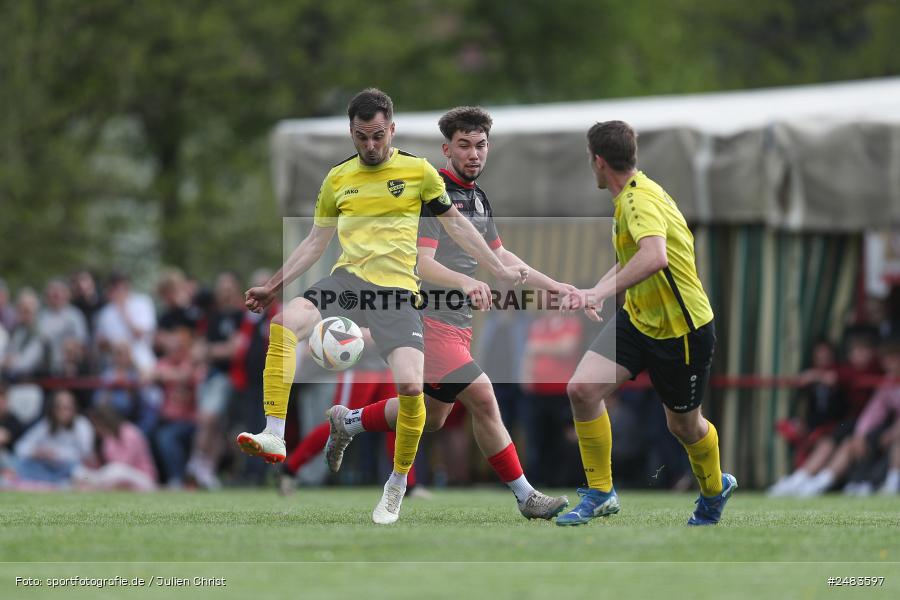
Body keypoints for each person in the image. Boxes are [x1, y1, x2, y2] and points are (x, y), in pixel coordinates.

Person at [236, 89, 526, 524]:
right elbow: (316, 242)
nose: (370, 146)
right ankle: (275, 435)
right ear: (351, 133)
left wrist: (494, 269)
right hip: (349, 282)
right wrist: (273, 286)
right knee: (284, 324)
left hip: (397, 294)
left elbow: (459, 227)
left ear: (391, 129)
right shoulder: (337, 179)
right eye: (360, 137)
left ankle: (396, 487)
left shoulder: (419, 172)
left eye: (377, 136)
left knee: (412, 392)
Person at [325, 107, 569, 519]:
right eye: (464, 146)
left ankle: (348, 422)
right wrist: (466, 282)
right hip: (428, 318)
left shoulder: (477, 197)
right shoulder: (434, 195)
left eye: (481, 145)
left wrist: (554, 286)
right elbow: (421, 263)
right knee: (484, 397)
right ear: (447, 149)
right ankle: (527, 496)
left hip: (457, 325)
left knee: (433, 418)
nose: (474, 154)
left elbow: (500, 255)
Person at [557, 120, 736, 526]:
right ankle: (600, 492)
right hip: (639, 320)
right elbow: (634, 256)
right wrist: (594, 291)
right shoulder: (634, 194)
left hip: (682, 331)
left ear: (598, 161)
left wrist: (600, 294)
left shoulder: (639, 201)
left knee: (684, 426)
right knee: (583, 390)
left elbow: (655, 256)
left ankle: (713, 490)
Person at [12, 390, 94, 485]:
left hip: (70, 468)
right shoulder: (45, 425)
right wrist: (36, 452)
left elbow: (85, 454)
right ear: (53, 409)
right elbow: (20, 447)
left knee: (82, 474)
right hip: (45, 468)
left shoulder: (81, 424)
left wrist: (57, 454)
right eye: (59, 407)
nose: (64, 411)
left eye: (67, 407)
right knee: (21, 464)